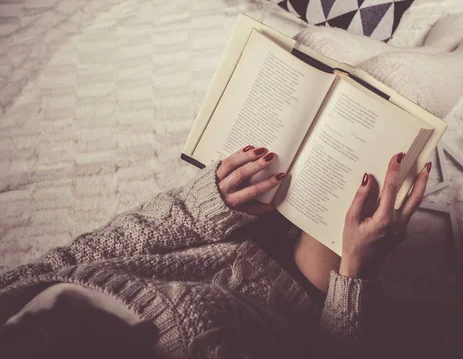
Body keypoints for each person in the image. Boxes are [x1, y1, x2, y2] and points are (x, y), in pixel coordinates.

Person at [0, 145, 430, 358]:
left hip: (213, 230)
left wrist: (203, 205)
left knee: (332, 71)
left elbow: (90, 251)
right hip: (288, 291)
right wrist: (358, 269)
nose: (55, 296)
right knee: (369, 159)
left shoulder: (8, 298)